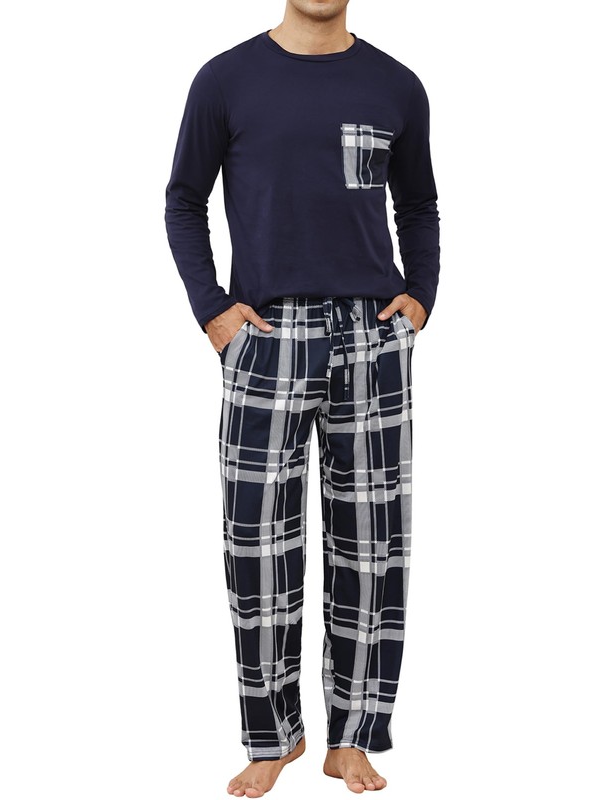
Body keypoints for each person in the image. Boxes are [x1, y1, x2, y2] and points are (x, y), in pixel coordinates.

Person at [164, 1, 440, 795]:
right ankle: (273, 735)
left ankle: (353, 736)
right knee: (257, 545)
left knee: (372, 545)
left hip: (372, 336)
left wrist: (420, 297)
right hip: (264, 331)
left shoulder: (397, 85)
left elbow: (418, 204)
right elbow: (183, 199)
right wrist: (213, 312)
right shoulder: (225, 80)